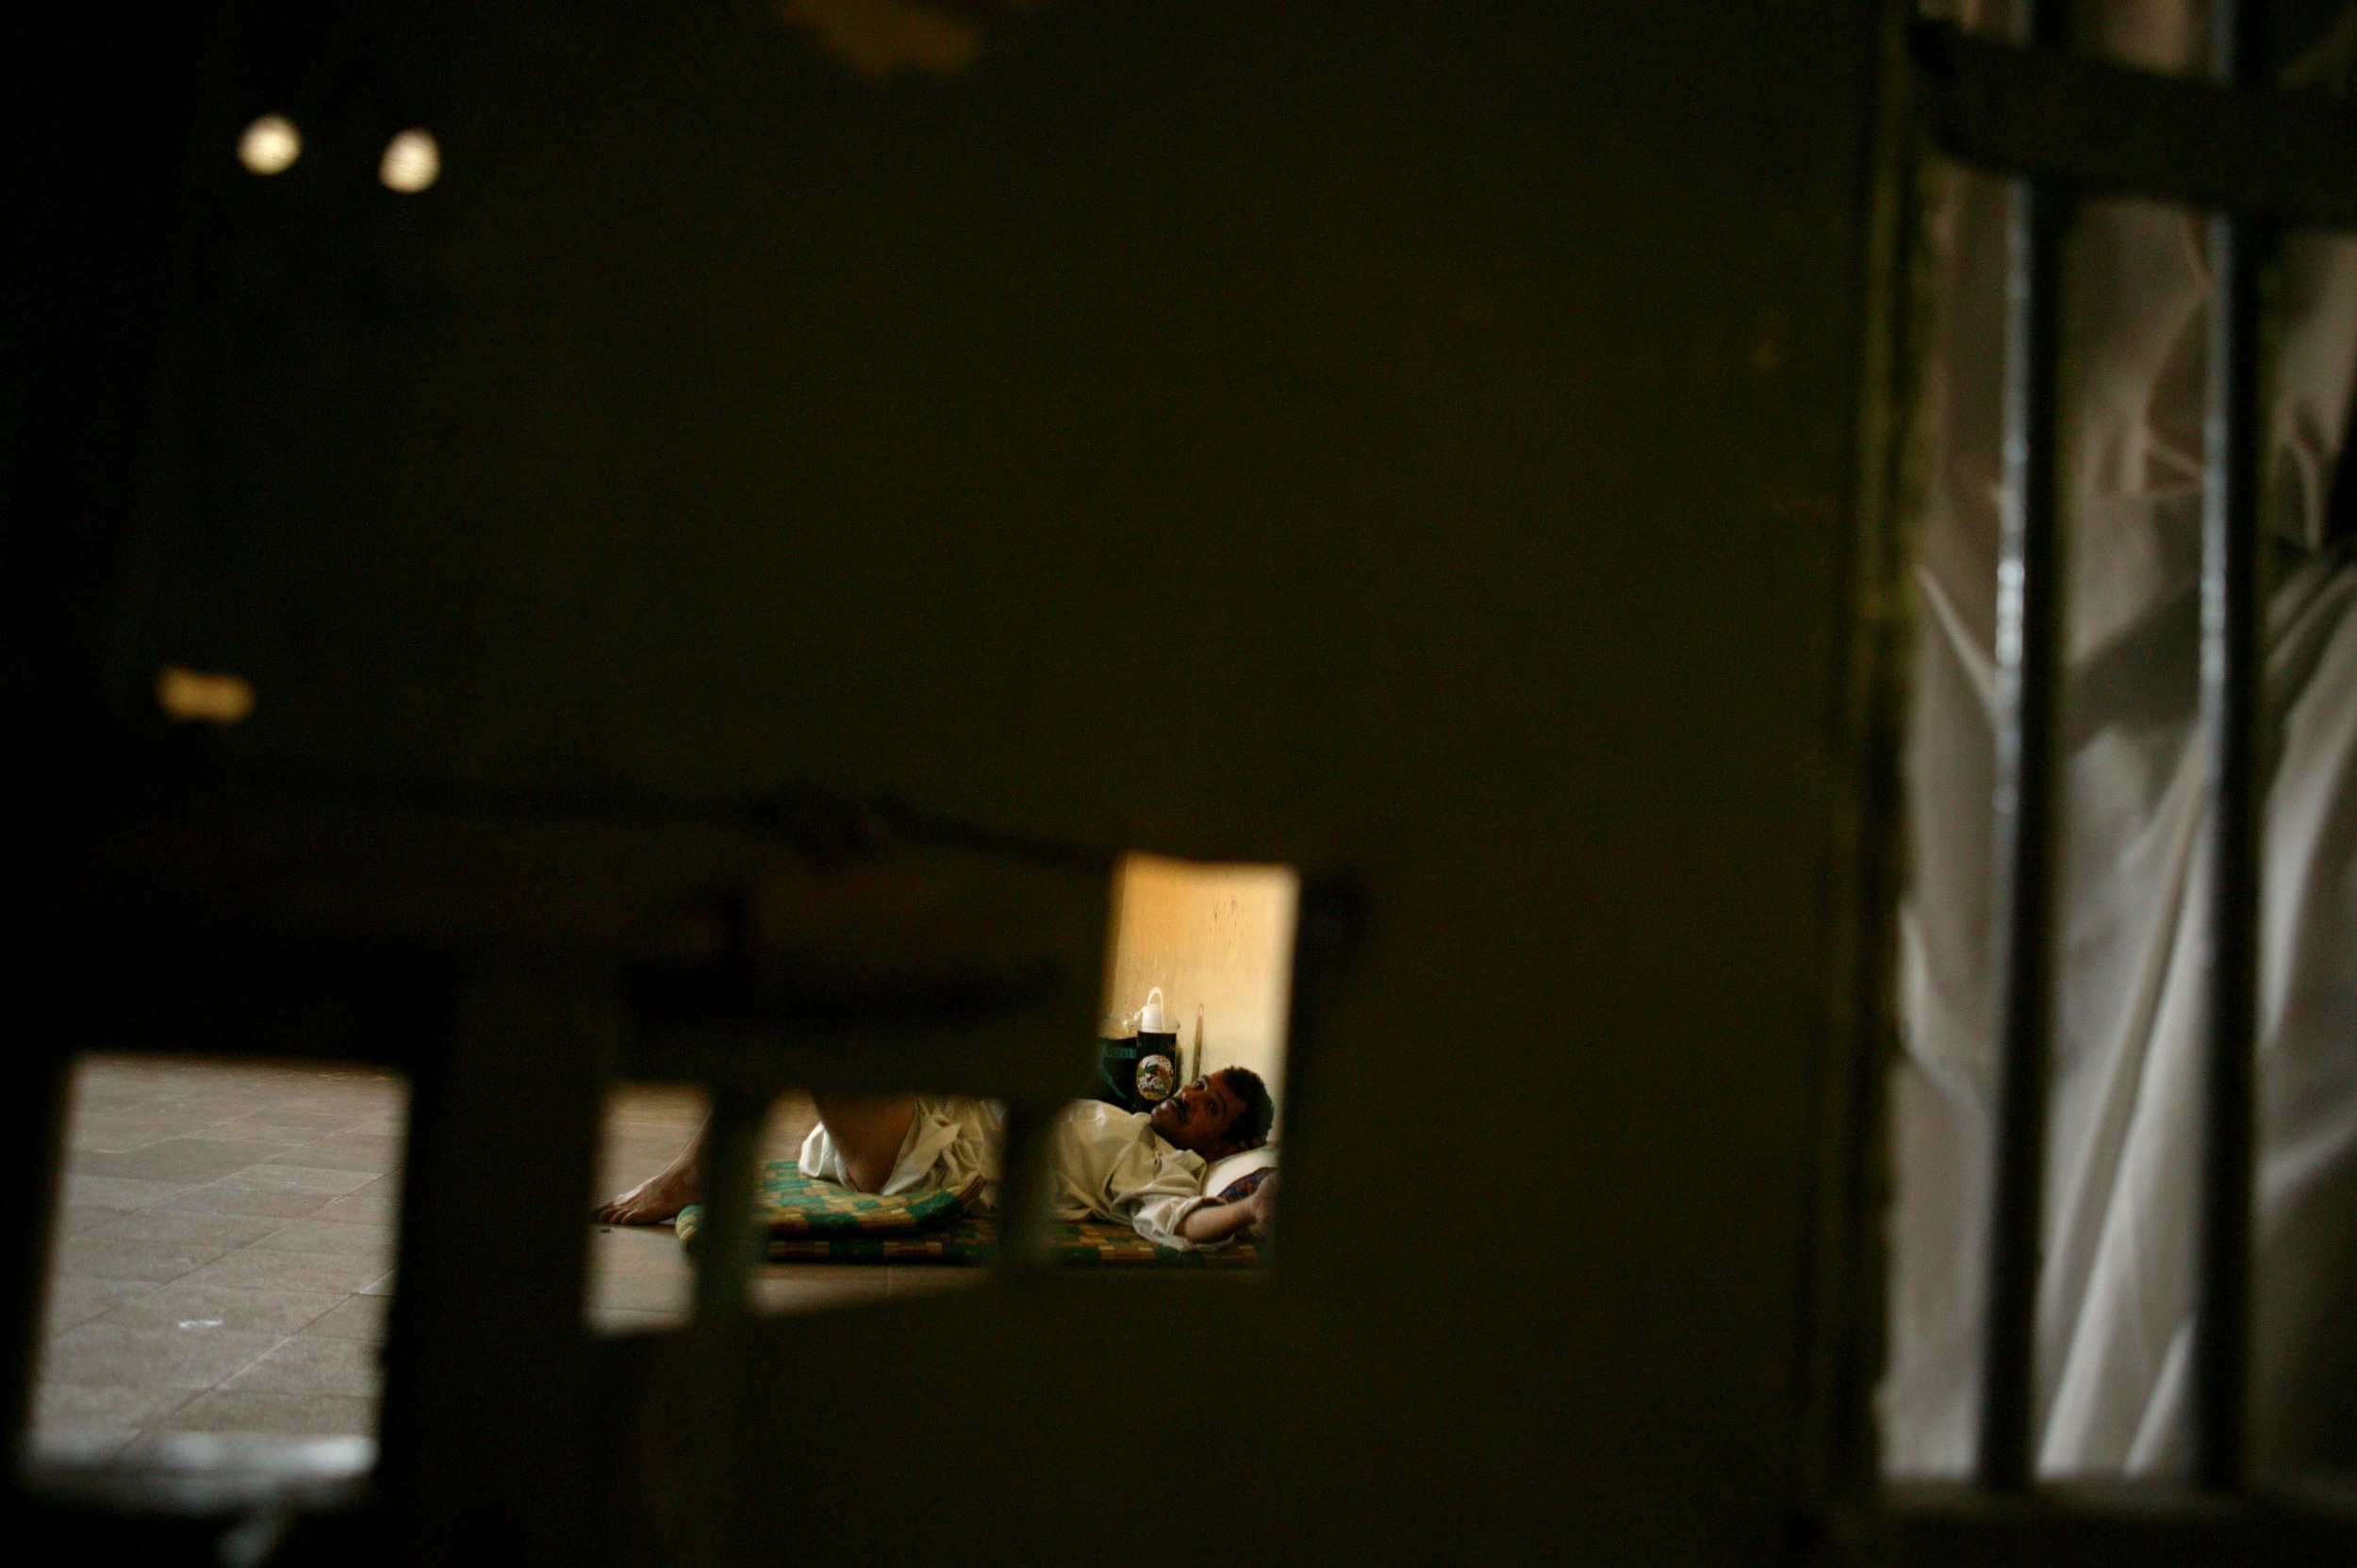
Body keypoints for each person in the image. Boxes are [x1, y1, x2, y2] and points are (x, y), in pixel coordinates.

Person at [597, 1067, 1278, 1250]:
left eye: (1211, 1105)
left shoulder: (1161, 1167)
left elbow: (1179, 1220)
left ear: (1223, 1148)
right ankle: (696, 1166)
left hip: (923, 1158)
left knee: (811, 1030)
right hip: (929, 1116)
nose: (1190, 1093)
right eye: (1200, 1082)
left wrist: (1247, 1205)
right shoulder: (1131, 1124)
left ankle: (693, 1173)